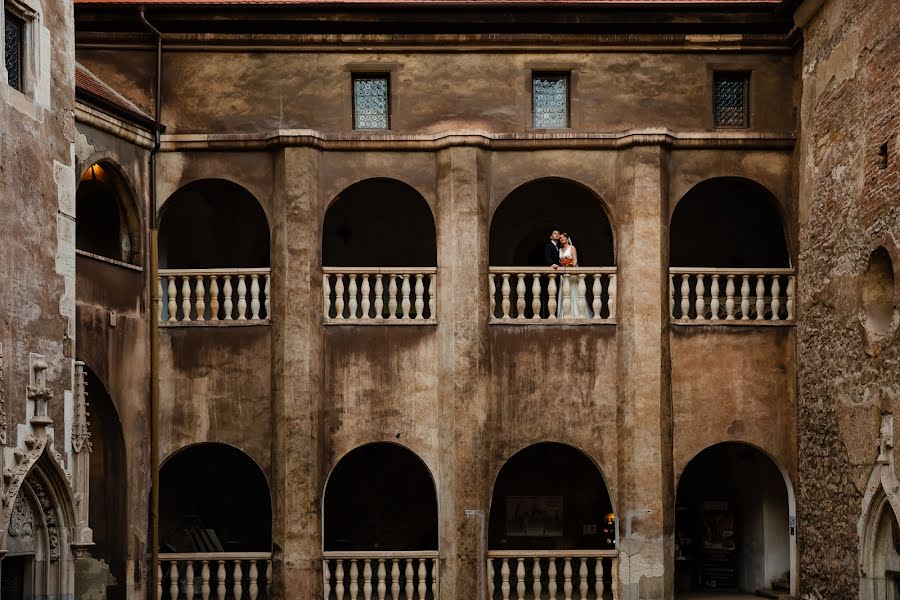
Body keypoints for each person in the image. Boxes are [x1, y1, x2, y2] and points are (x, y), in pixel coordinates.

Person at [556, 232, 593, 318]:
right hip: (564, 275)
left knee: (573, 292)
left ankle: (575, 313)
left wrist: (569, 265)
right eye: (560, 238)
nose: (562, 239)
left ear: (567, 238)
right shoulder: (560, 250)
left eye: (563, 237)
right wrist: (563, 265)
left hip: (571, 273)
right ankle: (564, 313)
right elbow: (560, 261)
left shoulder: (572, 248)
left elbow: (575, 260)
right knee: (565, 293)